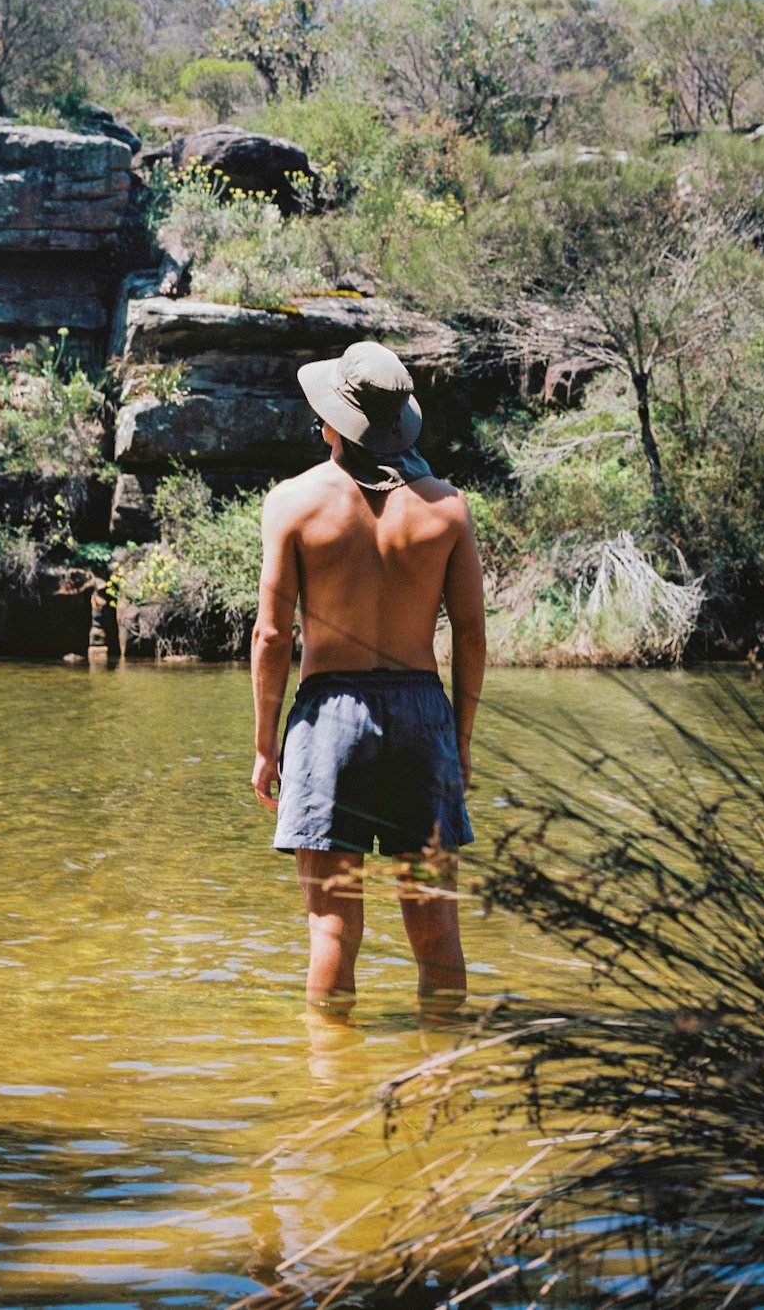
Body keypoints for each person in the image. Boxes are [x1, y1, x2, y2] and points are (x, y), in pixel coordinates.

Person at [250, 340, 486, 1021]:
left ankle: (331, 1089)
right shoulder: (447, 510)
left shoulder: (293, 504)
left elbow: (271, 635)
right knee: (437, 926)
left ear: (332, 421)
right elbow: (471, 634)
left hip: (329, 717)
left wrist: (266, 745)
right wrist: (460, 742)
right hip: (422, 714)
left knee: (331, 929)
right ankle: (444, 1074)